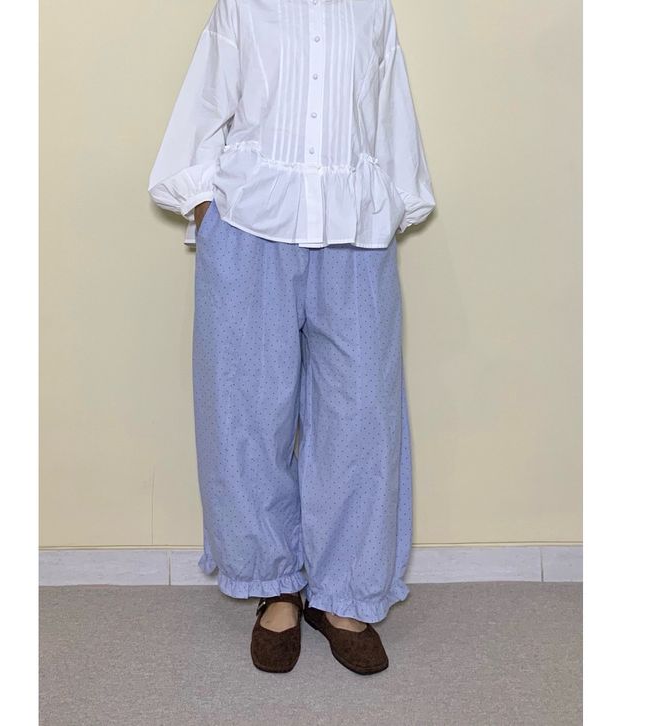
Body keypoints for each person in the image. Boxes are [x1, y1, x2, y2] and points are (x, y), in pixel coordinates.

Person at [148, 0, 435, 675]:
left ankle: (345, 595)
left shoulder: (372, 9)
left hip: (354, 230)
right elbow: (203, 106)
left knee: (362, 413)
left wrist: (394, 202)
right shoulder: (242, 6)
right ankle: (274, 585)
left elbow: (389, 115)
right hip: (250, 225)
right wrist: (205, 205)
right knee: (245, 409)